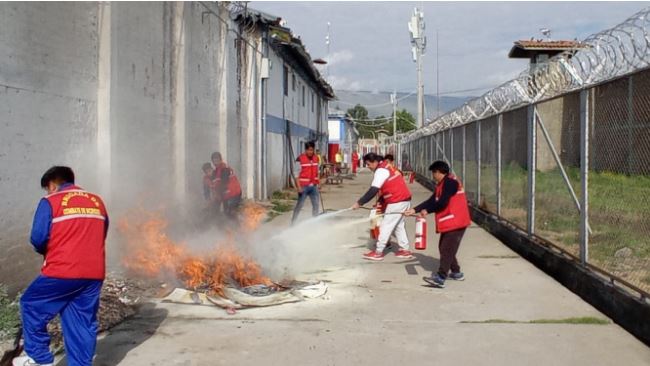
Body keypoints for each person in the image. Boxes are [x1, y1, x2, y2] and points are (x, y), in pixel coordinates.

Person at [14, 166, 109, 366]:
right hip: (93, 273)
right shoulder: (97, 201)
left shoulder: (50, 201)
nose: (48, 192)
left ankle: (39, 359)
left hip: (62, 270)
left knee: (31, 304)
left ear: (53, 184)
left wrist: (48, 251)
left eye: (47, 188)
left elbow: (38, 238)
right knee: (81, 321)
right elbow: (102, 232)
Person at [404, 160, 471, 288]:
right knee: (445, 248)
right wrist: (414, 209)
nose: (433, 176)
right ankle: (456, 272)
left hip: (456, 222)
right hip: (450, 221)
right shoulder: (442, 184)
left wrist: (427, 211)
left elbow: (442, 203)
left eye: (433, 173)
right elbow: (431, 200)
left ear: (439, 172)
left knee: (446, 249)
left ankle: (441, 277)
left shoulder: (451, 183)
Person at [351, 153, 413, 261]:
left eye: (368, 164)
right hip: (404, 199)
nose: (368, 167)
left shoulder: (380, 170)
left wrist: (359, 203)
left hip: (396, 201)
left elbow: (374, 189)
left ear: (374, 162)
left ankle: (378, 252)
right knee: (399, 225)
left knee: (385, 226)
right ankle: (405, 250)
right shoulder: (387, 166)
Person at [291, 141, 321, 224]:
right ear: (306, 150)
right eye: (309, 150)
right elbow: (296, 174)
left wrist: (318, 183)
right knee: (299, 205)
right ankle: (293, 222)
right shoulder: (299, 159)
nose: (310, 152)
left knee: (316, 205)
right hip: (303, 187)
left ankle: (315, 222)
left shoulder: (316, 158)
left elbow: (317, 172)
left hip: (314, 186)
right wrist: (298, 187)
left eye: (312, 150)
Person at [211, 152, 242, 221]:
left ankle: (238, 228)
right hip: (226, 195)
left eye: (217, 160)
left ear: (221, 159)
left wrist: (218, 198)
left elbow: (223, 184)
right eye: (214, 161)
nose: (216, 163)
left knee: (230, 212)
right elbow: (215, 185)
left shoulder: (225, 169)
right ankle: (229, 228)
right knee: (226, 212)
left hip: (234, 194)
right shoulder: (215, 172)